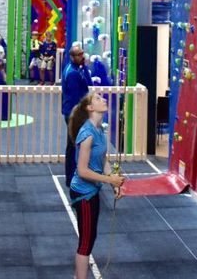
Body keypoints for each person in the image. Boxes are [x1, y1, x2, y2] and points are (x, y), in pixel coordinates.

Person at [68, 92, 126, 279]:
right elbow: (82, 171)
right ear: (90, 108)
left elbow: (103, 161)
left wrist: (114, 184)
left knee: (90, 238)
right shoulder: (87, 135)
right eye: (98, 99)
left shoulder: (100, 130)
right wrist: (110, 180)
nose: (104, 100)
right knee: (85, 243)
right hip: (83, 193)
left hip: (93, 191)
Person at [61, 42, 93, 186]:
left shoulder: (76, 69)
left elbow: (88, 84)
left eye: (82, 53)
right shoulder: (73, 73)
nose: (82, 56)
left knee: (75, 144)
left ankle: (74, 175)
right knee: (74, 145)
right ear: (72, 57)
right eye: (79, 54)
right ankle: (72, 177)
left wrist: (85, 67)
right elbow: (76, 97)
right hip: (74, 114)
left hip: (75, 112)